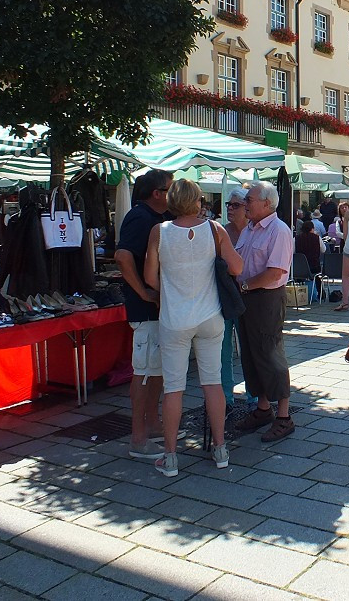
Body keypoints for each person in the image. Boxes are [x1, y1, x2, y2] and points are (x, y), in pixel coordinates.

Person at [144, 179, 243, 477]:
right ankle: (221, 448)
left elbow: (150, 277)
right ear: (198, 201)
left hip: (174, 318)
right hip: (210, 316)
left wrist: (170, 289)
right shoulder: (215, 230)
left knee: (174, 387)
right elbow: (237, 268)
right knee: (212, 383)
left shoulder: (159, 232)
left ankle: (171, 456)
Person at [115, 168, 174, 460]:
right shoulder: (140, 217)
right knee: (144, 373)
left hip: (158, 309)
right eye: (170, 189)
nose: (173, 194)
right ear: (157, 193)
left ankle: (152, 425)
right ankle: (138, 437)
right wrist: (144, 293)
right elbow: (123, 257)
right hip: (146, 310)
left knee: (157, 372)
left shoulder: (159, 218)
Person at [234, 181, 296, 443]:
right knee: (250, 354)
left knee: (271, 354)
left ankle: (284, 416)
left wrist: (245, 285)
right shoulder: (249, 229)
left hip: (266, 298)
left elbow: (275, 272)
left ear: (267, 203)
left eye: (249, 200)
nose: (245, 204)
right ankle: (262, 409)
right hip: (247, 297)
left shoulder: (278, 230)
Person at [221, 187, 250, 406]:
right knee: (223, 350)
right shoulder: (221, 231)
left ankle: (254, 395)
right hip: (223, 296)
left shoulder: (254, 231)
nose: (230, 209)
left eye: (235, 205)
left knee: (249, 349)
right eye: (229, 205)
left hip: (249, 295)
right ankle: (225, 397)